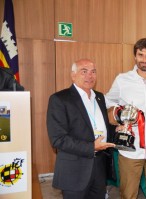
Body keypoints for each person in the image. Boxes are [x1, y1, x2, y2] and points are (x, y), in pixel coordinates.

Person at [105, 38, 146, 199]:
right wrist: (118, 119)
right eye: (140, 55)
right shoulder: (122, 79)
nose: (144, 59)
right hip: (130, 150)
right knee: (128, 195)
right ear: (135, 56)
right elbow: (107, 102)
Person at [46, 59, 116, 199]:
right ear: (73, 75)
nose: (89, 76)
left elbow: (101, 127)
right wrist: (91, 147)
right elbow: (58, 139)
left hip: (99, 167)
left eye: (93, 72)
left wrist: (118, 129)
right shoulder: (59, 99)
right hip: (74, 170)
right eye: (84, 72)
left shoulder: (100, 97)